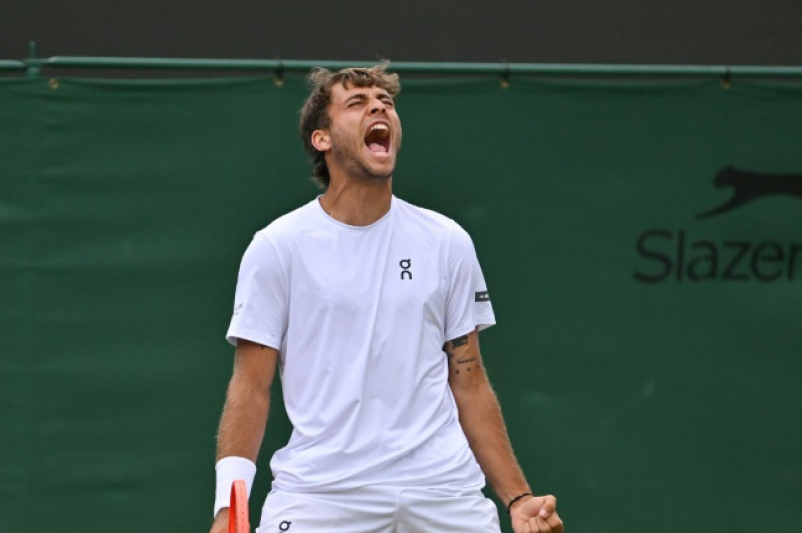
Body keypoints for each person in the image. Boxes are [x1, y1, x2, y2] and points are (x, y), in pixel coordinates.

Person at [210, 63, 563, 533]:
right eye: (357, 103)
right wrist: (228, 510)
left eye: (386, 102)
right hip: (322, 498)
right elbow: (251, 389)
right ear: (322, 138)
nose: (379, 108)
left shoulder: (447, 242)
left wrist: (518, 498)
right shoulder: (278, 247)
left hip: (444, 494)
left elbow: (470, 382)